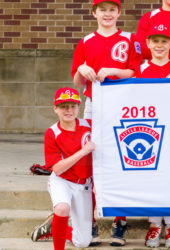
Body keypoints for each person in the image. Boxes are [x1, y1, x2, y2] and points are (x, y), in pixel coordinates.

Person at [70, 0, 142, 246]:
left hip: (122, 105)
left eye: (112, 9)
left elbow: (137, 71)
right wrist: (82, 68)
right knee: (90, 158)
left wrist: (114, 71)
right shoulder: (86, 41)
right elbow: (78, 82)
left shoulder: (130, 38)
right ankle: (90, 223)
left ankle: (119, 222)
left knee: (121, 159)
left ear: (119, 12)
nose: (108, 14)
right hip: (94, 104)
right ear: (94, 13)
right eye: (103, 9)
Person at [136, 24, 170, 248]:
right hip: (150, 131)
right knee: (152, 179)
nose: (159, 45)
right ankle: (155, 224)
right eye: (155, 41)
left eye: (164, 41)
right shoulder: (140, 69)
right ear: (147, 43)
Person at [45, 87, 95, 250]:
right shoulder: (52, 132)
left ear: (78, 107)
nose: (69, 110)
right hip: (62, 180)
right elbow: (57, 168)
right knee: (62, 207)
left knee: (83, 242)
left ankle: (55, 227)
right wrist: (83, 151)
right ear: (55, 109)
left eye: (73, 106)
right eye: (64, 106)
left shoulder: (88, 125)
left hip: (84, 184)